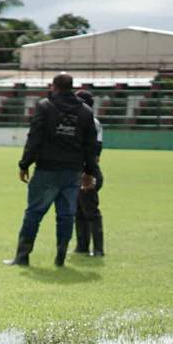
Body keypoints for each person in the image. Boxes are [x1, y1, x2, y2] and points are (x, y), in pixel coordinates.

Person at [3, 73, 99, 267]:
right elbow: (90, 146)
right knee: (66, 216)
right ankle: (60, 257)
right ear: (72, 86)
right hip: (72, 171)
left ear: (53, 86)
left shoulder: (45, 107)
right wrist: (90, 172)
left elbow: (35, 137)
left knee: (34, 213)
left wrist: (24, 164)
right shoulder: (86, 112)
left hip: (47, 168)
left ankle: (22, 256)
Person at [73, 89, 105, 257]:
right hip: (79, 171)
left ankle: (98, 249)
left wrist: (88, 174)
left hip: (87, 172)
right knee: (79, 210)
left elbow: (95, 152)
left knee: (90, 211)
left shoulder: (91, 122)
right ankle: (82, 246)